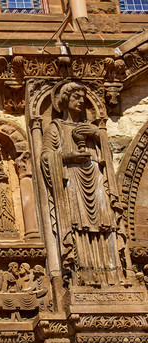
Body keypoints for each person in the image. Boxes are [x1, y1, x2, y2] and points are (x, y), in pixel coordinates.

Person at [41, 82, 127, 286]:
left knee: (105, 222)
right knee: (78, 225)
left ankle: (113, 274)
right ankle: (84, 274)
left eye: (83, 97)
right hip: (72, 180)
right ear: (65, 100)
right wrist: (67, 157)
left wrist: (97, 135)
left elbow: (107, 155)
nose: (81, 101)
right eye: (76, 97)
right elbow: (45, 156)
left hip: (96, 177)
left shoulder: (92, 128)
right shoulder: (56, 127)